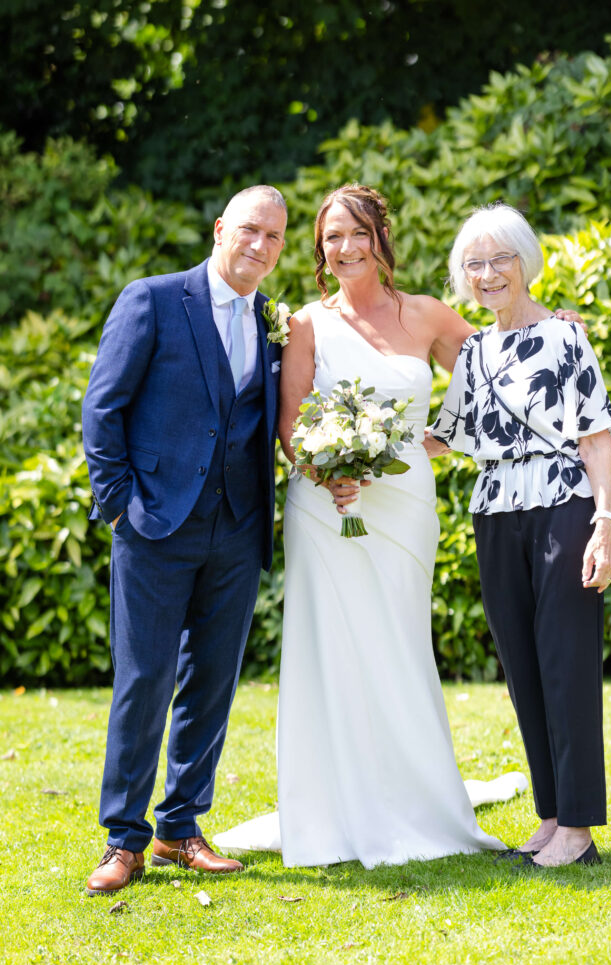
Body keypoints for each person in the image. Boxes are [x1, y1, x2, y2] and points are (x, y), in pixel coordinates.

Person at [215, 184, 557, 868]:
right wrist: (322, 470)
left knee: (398, 642)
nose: (342, 248)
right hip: (324, 509)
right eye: (329, 239)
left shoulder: (428, 315)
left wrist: (552, 328)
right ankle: (333, 803)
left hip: (403, 506)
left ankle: (413, 794)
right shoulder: (306, 323)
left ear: (380, 240)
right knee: (330, 649)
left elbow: (498, 368)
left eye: (354, 234)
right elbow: (290, 421)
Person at [81, 185, 288, 894]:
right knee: (143, 680)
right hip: (154, 525)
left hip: (235, 528)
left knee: (211, 682)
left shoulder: (271, 320)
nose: (260, 246)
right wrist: (118, 507)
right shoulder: (155, 299)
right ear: (220, 228)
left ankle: (179, 826)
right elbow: (103, 406)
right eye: (250, 231)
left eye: (275, 238)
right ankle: (123, 839)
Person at [426, 203, 611, 868]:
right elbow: (443, 439)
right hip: (494, 511)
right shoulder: (474, 351)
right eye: (473, 263)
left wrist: (604, 526)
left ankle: (579, 828)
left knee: (564, 661)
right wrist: (359, 441)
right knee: (522, 666)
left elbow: (594, 436)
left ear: (524, 262)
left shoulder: (567, 339)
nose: (486, 274)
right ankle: (550, 815)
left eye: (498, 259)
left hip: (562, 505)